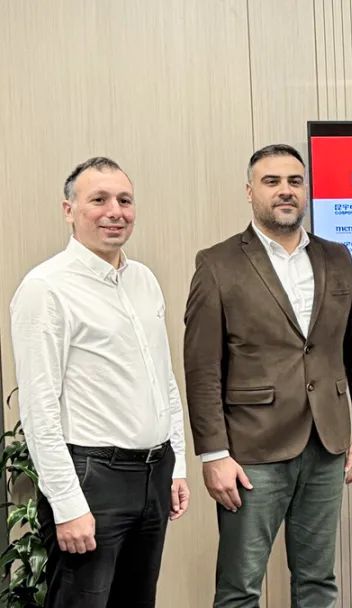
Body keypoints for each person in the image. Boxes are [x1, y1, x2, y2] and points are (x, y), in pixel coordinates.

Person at [183, 144, 352, 607]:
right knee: (239, 587)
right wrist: (214, 454)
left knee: (318, 581)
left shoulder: (337, 257)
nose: (285, 190)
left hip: (327, 445)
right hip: (251, 450)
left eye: (294, 181)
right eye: (271, 182)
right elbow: (202, 368)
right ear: (250, 191)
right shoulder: (217, 263)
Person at [10, 157, 189, 607]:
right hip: (92, 479)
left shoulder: (144, 280)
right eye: (99, 200)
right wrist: (68, 504)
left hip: (153, 474)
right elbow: (39, 408)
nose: (115, 212)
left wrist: (177, 465)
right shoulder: (46, 287)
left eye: (125, 200)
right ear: (69, 210)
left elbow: (163, 380)